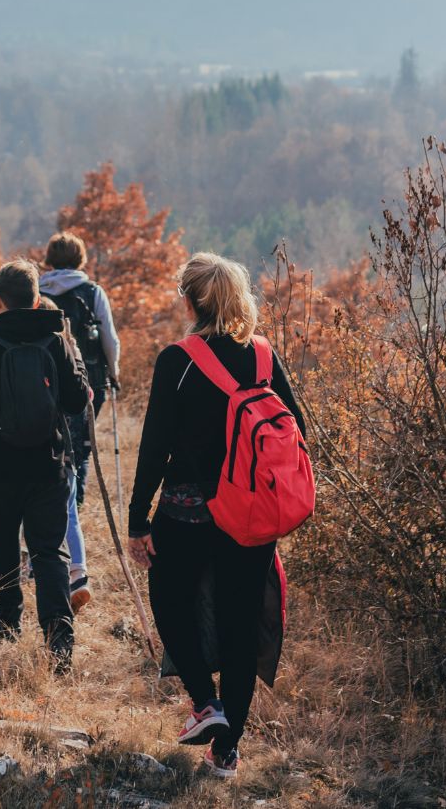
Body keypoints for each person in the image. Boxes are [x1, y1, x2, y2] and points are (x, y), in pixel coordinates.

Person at [127, 252, 307, 780]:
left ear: (188, 299)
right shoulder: (263, 357)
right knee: (237, 625)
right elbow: (296, 431)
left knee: (170, 600)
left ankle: (205, 704)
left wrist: (138, 518)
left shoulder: (177, 362)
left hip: (187, 513)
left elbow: (154, 447)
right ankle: (226, 754)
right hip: (249, 515)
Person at [0, 259, 93, 670]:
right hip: (49, 466)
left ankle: (7, 622)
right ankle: (59, 640)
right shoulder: (57, 342)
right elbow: (76, 403)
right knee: (50, 551)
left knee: (5, 547)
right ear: (35, 298)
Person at [38, 230, 121, 611]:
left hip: (46, 382)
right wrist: (113, 370)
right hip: (89, 381)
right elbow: (109, 337)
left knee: (52, 450)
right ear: (81, 259)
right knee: (81, 449)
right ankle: (76, 500)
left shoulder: (37, 290)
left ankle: (59, 511)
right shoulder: (93, 292)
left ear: (50, 259)